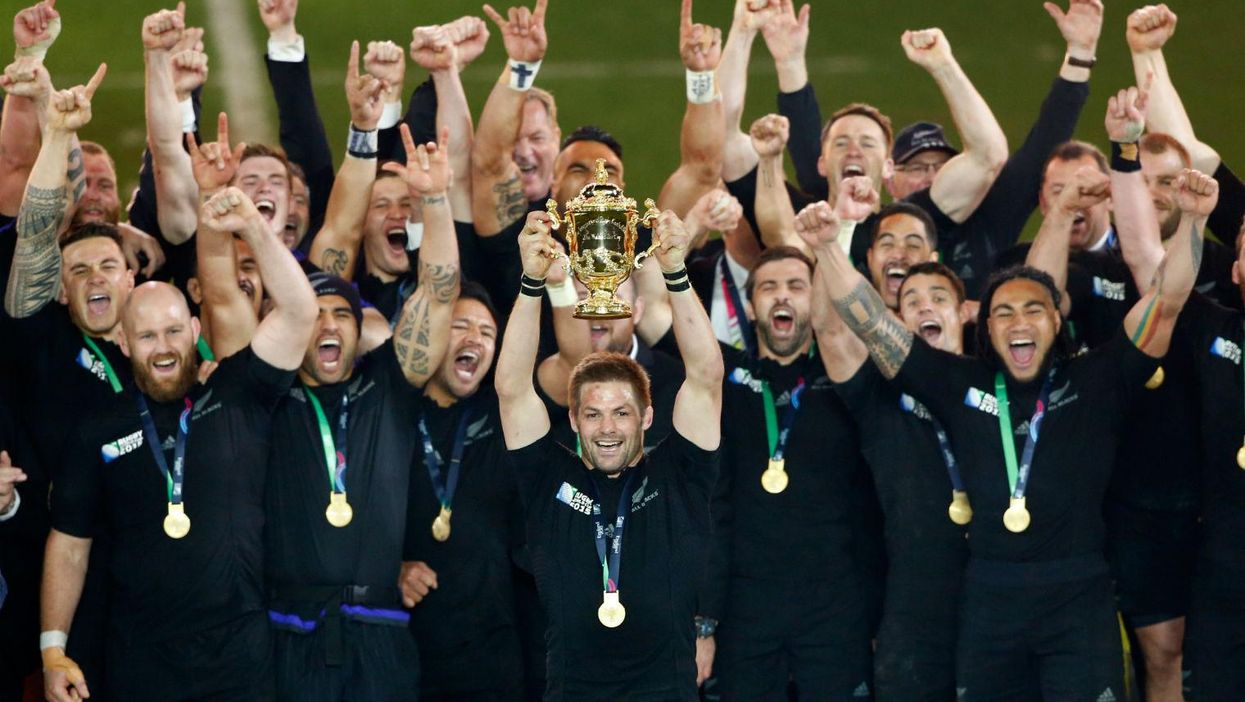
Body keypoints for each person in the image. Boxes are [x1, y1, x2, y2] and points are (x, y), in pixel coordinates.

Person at [809, 168, 1213, 700]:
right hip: (991, 601)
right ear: (987, 328)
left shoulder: (1096, 379)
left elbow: (1166, 300)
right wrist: (826, 248)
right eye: (1003, 313)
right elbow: (869, 323)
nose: (1018, 321)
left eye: (1032, 310)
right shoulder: (958, 384)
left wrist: (1195, 219)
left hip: (1078, 599)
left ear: (1055, 323)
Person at [41, 185, 318, 702]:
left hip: (241, 661)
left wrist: (253, 229)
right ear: (123, 343)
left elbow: (301, 312)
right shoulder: (97, 429)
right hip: (142, 662)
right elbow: (69, 545)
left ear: (194, 329)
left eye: (173, 331)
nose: (163, 347)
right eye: (146, 336)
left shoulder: (239, 392)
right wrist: (53, 649)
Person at [264, 126, 459, 700]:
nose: (327, 325)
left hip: (380, 633)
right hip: (287, 634)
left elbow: (439, 293)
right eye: (313, 315)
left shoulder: (388, 385)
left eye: (341, 315)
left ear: (363, 330)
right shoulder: (262, 396)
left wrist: (438, 200)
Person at [496, 207, 722, 699]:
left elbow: (705, 377)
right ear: (573, 420)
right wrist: (532, 282)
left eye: (622, 413)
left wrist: (677, 273)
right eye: (593, 414)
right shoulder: (548, 479)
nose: (607, 429)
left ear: (646, 418)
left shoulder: (678, 475)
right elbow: (512, 389)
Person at [801, 192, 971, 700]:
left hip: (999, 596)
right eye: (912, 301)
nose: (925, 306)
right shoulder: (879, 394)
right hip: (913, 607)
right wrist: (833, 244)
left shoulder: (993, 383)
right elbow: (832, 330)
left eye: (938, 298)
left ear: (965, 313)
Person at [399, 282, 528, 701]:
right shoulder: (389, 412)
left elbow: (565, 364)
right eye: (460, 326)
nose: (475, 339)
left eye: (487, 333)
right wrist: (389, 570)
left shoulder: (504, 412)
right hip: (406, 654)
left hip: (491, 658)